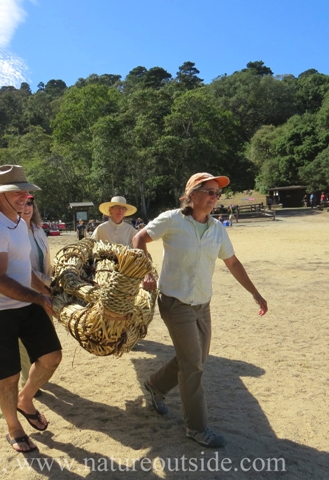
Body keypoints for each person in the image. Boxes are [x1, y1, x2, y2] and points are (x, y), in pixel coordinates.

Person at [133, 172, 268, 449]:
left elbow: (232, 262)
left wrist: (255, 293)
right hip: (175, 302)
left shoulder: (218, 228)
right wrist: (146, 270)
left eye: (217, 194)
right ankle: (196, 428)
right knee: (193, 365)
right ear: (192, 194)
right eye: (208, 191)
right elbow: (139, 239)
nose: (214, 198)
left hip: (202, 304)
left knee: (195, 359)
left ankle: (155, 386)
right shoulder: (172, 219)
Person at [0, 165, 62, 453]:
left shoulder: (19, 224)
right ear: (2, 195)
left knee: (51, 357)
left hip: (27, 301)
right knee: (8, 374)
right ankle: (14, 428)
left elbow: (25, 270)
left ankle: (25, 399)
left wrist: (45, 289)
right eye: (20, 191)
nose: (27, 196)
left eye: (27, 191)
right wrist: (39, 299)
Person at [17, 194, 54, 396]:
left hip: (45, 291)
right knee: (25, 342)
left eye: (30, 203)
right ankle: (27, 380)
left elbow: (45, 260)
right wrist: (47, 283)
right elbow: (23, 269)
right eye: (22, 203)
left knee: (43, 336)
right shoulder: (15, 232)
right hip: (26, 292)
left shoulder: (39, 230)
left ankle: (36, 375)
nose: (27, 207)